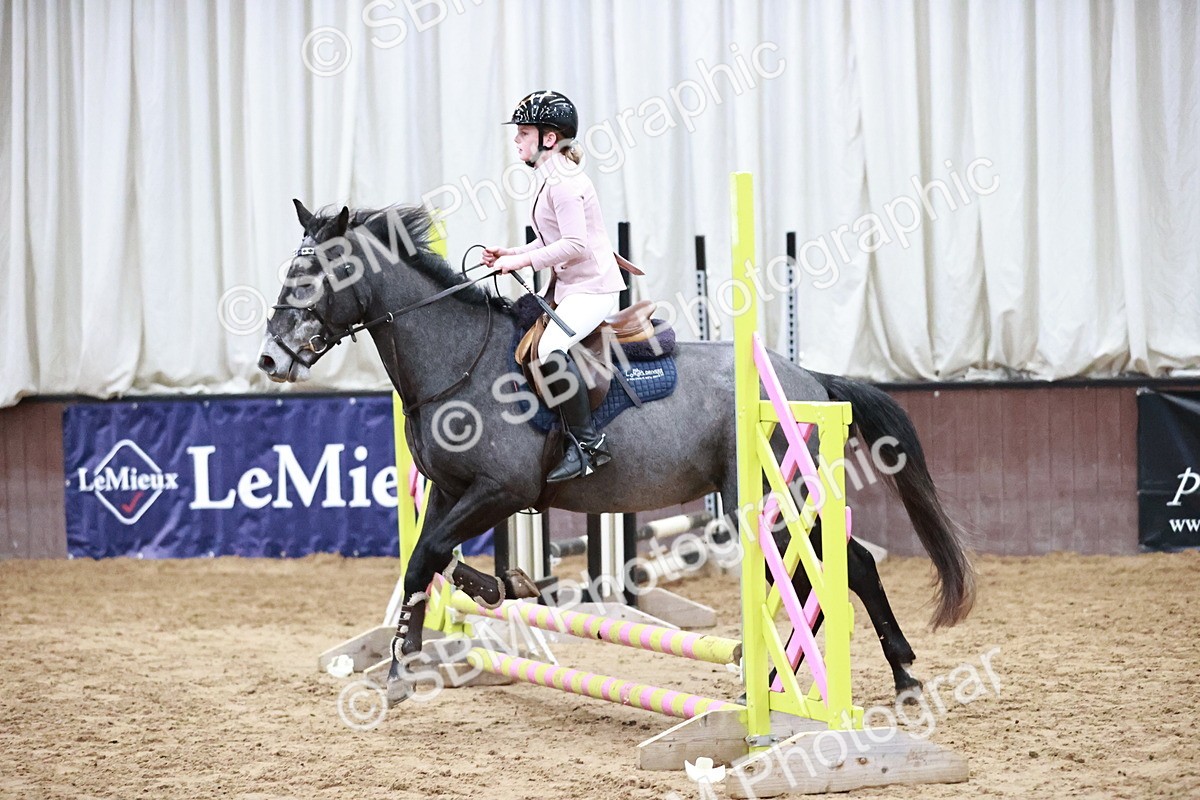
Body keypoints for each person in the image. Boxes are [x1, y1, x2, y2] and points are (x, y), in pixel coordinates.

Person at [483, 90, 627, 483]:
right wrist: (509, 252)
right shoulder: (548, 178)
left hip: (594, 288)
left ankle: (589, 446)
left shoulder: (562, 182)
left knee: (549, 348)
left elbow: (575, 244)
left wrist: (520, 261)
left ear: (549, 138)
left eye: (524, 132)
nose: (517, 140)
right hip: (571, 288)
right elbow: (551, 240)